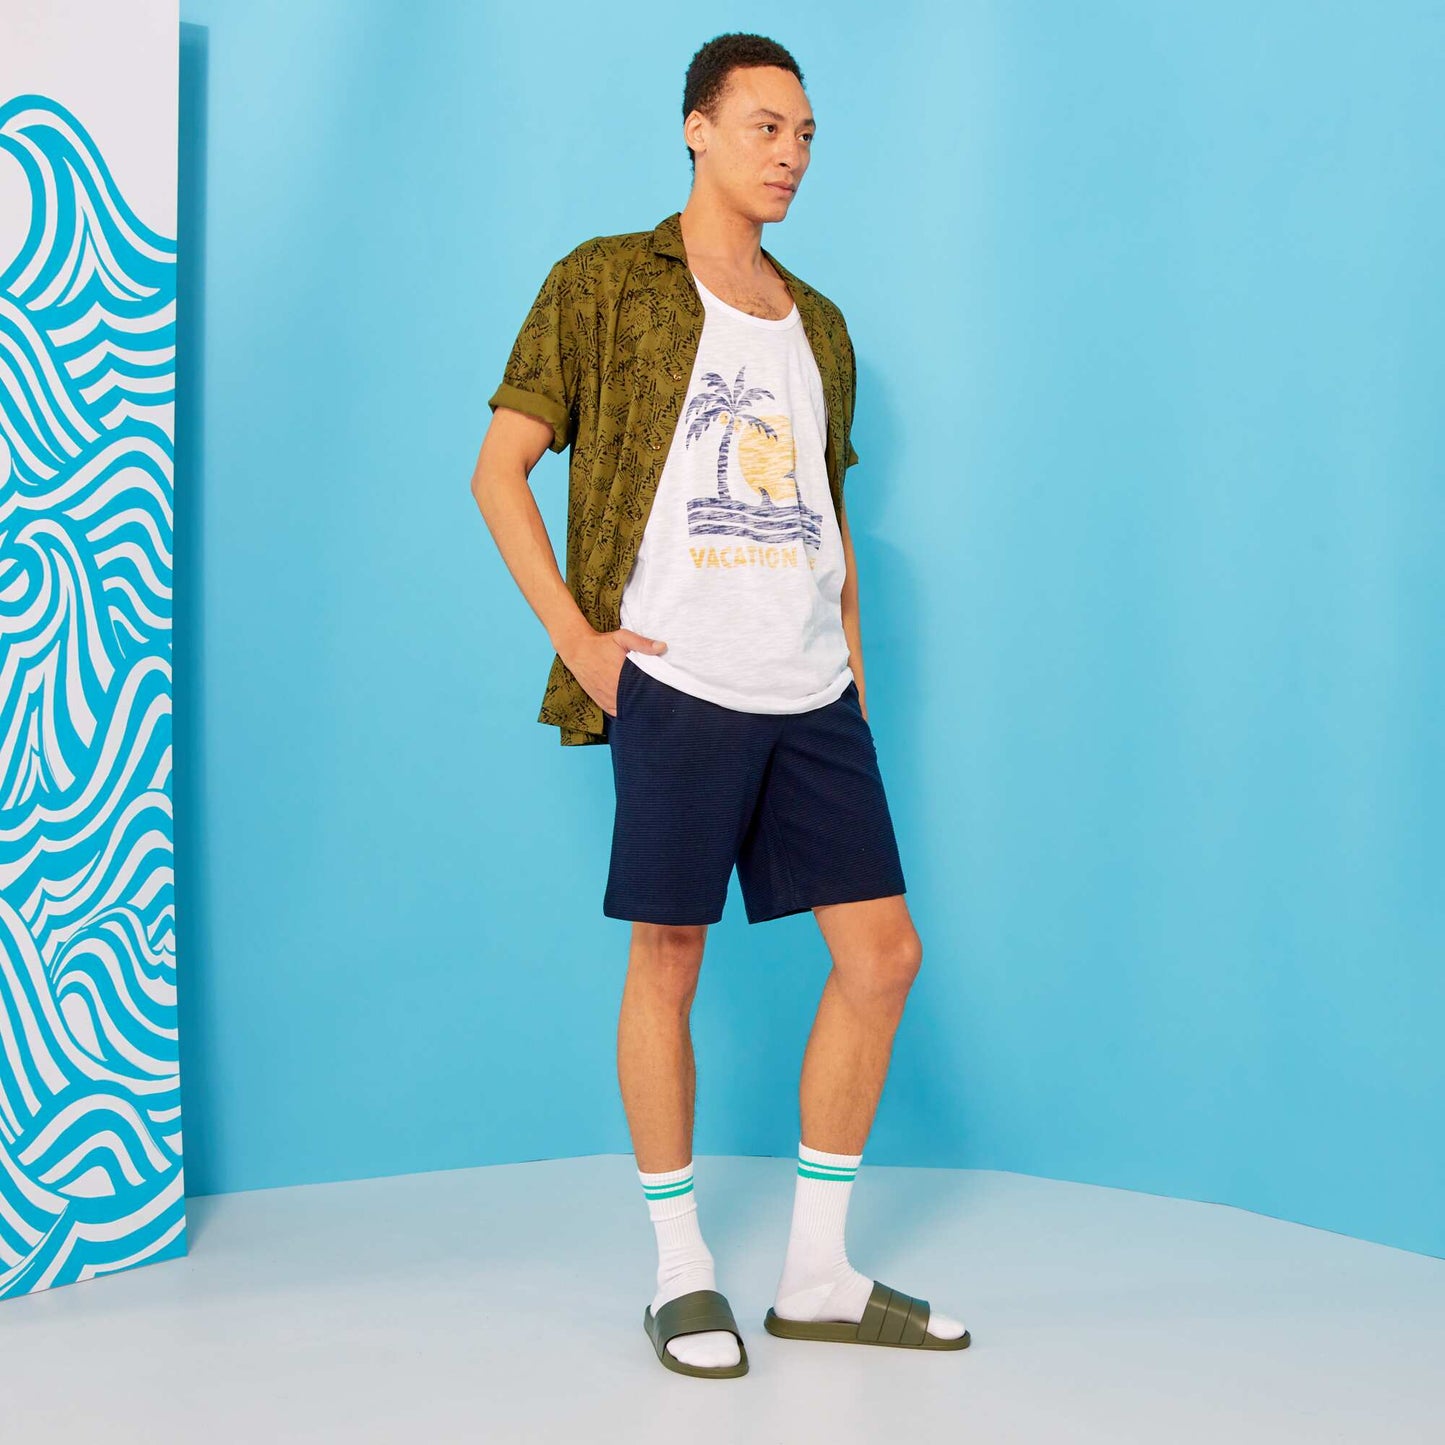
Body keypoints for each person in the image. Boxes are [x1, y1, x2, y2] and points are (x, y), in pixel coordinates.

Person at [471, 32, 969, 1379]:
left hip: (811, 689)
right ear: (697, 128)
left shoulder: (821, 323)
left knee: (883, 956)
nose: (791, 155)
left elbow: (827, 511)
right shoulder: (603, 281)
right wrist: (581, 644)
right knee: (669, 956)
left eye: (805, 134)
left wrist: (852, 674)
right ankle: (681, 1269)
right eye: (765, 127)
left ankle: (816, 1273)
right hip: (680, 680)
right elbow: (500, 469)